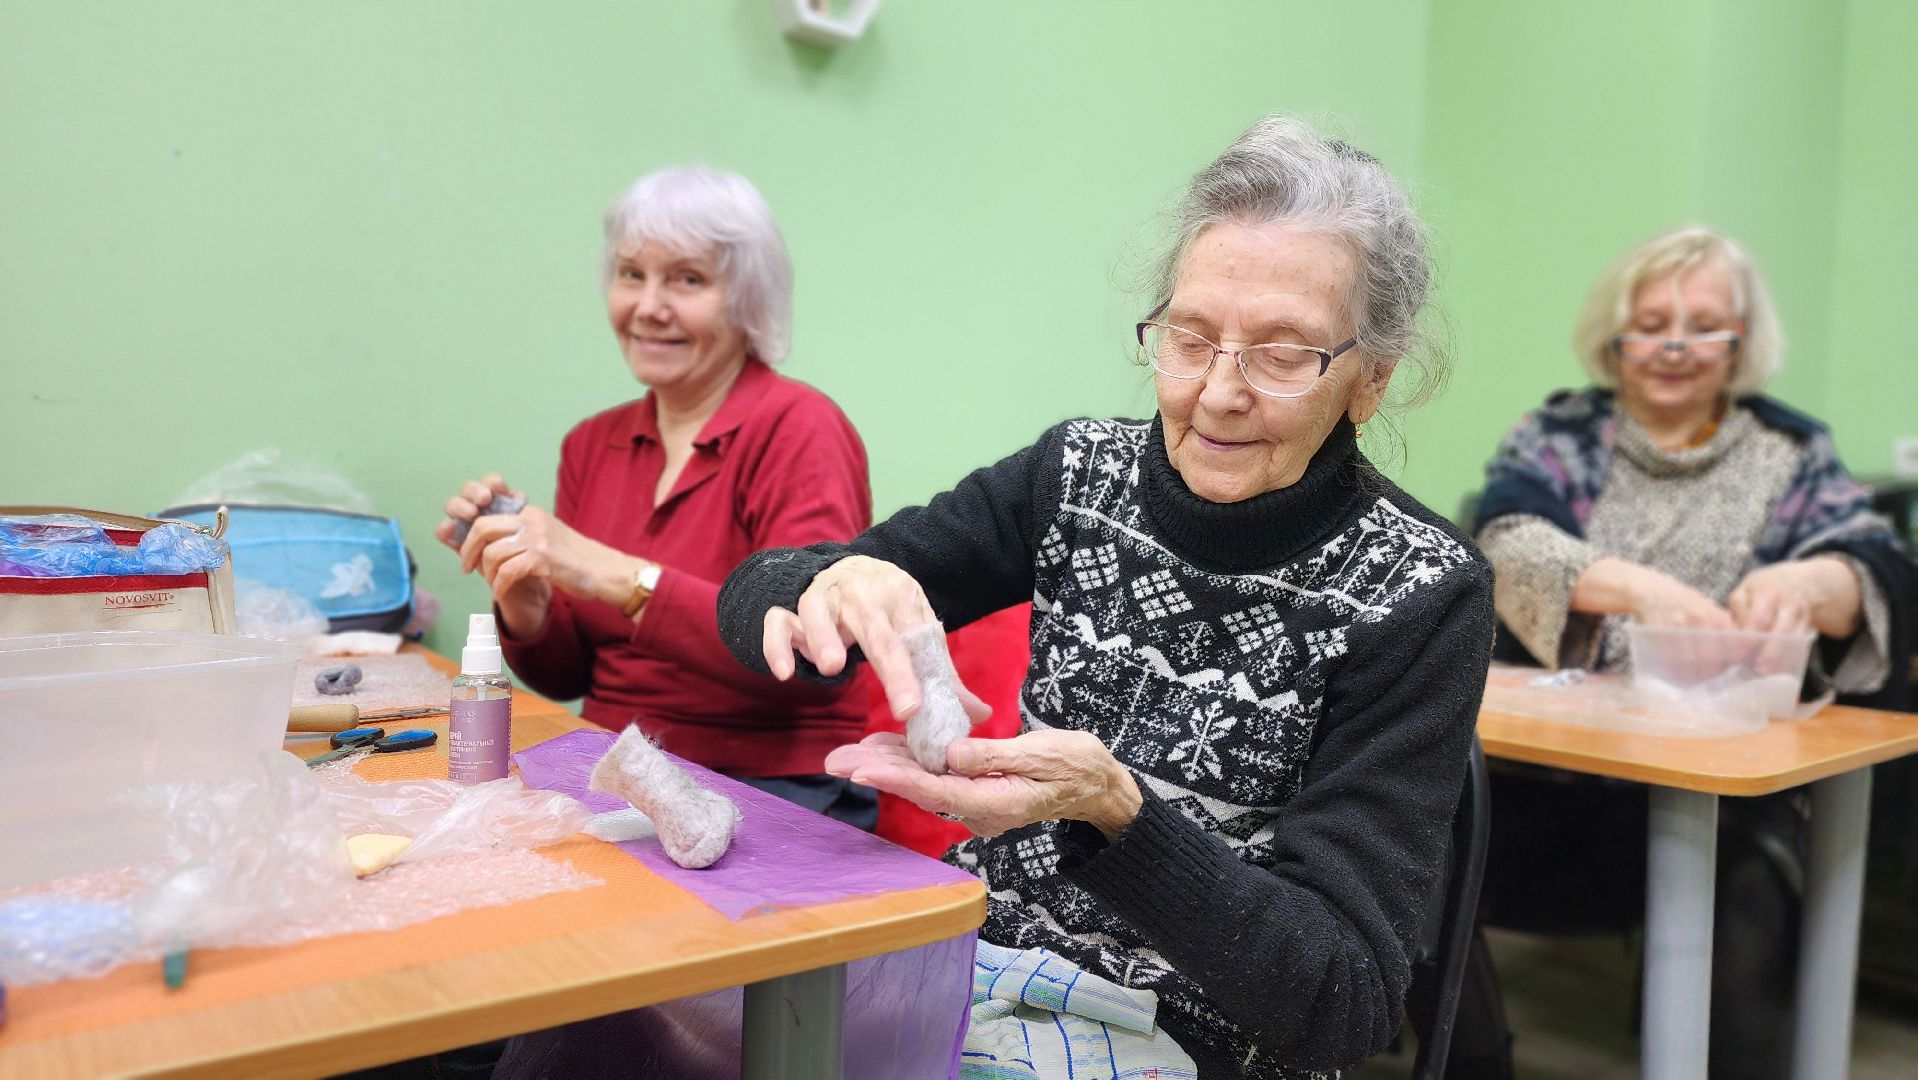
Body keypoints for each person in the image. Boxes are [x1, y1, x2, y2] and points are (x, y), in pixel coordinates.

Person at [716, 116, 1494, 1080]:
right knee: (641, 1024)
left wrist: (1120, 815)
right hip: (970, 967)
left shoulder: (1420, 592)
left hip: (1199, 1041)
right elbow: (754, 605)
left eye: (1283, 354)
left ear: (1370, 381)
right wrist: (825, 580)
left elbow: (1343, 1001)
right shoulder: (1077, 474)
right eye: (1191, 338)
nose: (1217, 393)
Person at [1464, 225, 1917, 1079]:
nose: (1675, 345)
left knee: (1756, 873)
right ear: (1616, 335)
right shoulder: (1561, 433)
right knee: (1424, 829)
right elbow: (1504, 541)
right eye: (1652, 321)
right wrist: (1643, 589)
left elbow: (1878, 562)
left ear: (1740, 341)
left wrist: (1818, 582)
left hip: (1722, 782)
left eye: (1704, 324)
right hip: (1556, 779)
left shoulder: (1790, 451)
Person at [438, 166, 878, 828]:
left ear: (747, 299)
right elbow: (571, 677)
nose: (648, 306)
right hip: (615, 769)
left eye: (688, 279)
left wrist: (608, 572)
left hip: (773, 784)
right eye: (631, 274)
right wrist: (527, 598)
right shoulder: (591, 443)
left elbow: (810, 654)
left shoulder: (800, 429)